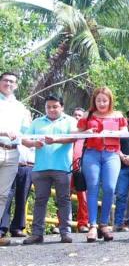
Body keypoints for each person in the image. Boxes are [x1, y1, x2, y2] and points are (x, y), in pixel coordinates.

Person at [21, 95, 76, 244]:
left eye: (55, 106)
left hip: (62, 167)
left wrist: (56, 140)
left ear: (62, 107)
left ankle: (65, 232)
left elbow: (74, 137)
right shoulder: (37, 122)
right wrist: (34, 143)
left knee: (64, 200)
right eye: (48, 107)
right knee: (40, 200)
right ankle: (37, 233)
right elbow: (24, 139)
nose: (51, 109)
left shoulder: (70, 121)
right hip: (40, 168)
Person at [77, 87, 128, 242]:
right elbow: (77, 133)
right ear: (94, 100)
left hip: (112, 154)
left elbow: (125, 132)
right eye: (98, 100)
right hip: (92, 153)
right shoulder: (88, 115)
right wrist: (86, 133)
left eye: (104, 100)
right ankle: (92, 225)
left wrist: (115, 133)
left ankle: (104, 224)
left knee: (110, 188)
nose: (101, 103)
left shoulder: (118, 115)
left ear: (110, 101)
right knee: (92, 186)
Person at [0, 72, 31, 246]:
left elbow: (24, 134)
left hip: (13, 153)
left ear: (16, 85)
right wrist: (3, 132)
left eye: (12, 81)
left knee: (3, 195)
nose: (9, 84)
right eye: (5, 80)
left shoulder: (21, 108)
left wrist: (35, 143)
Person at [0, 145, 34, 238]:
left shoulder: (35, 130)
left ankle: (17, 227)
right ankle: (2, 228)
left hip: (28, 165)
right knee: (6, 197)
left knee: (23, 197)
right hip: (11, 163)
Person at [71, 107, 89, 233]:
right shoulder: (69, 133)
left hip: (82, 169)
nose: (77, 117)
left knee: (83, 197)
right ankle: (62, 224)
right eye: (75, 115)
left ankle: (83, 223)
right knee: (63, 197)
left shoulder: (88, 135)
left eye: (80, 115)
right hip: (66, 169)